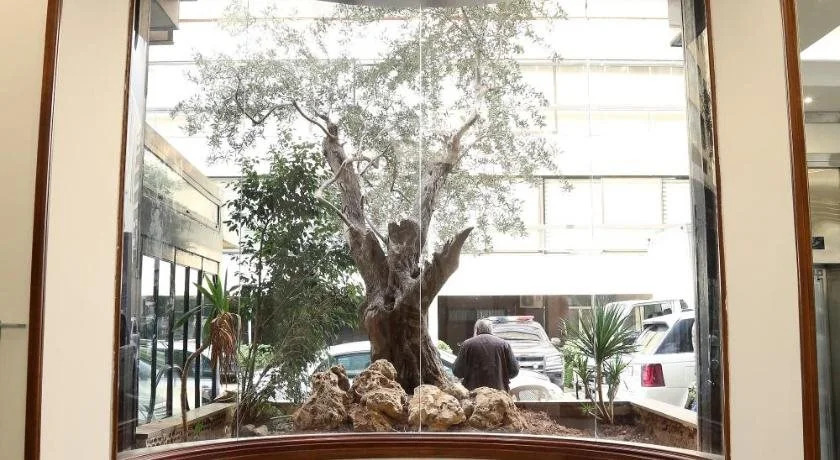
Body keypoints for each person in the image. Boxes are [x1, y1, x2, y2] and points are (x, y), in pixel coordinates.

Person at [453, 318, 519, 392]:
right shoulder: (504, 344)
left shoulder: (467, 344)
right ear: (491, 330)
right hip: (498, 393)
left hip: (473, 393)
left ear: (477, 330)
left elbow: (457, 371)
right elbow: (514, 371)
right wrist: (501, 376)